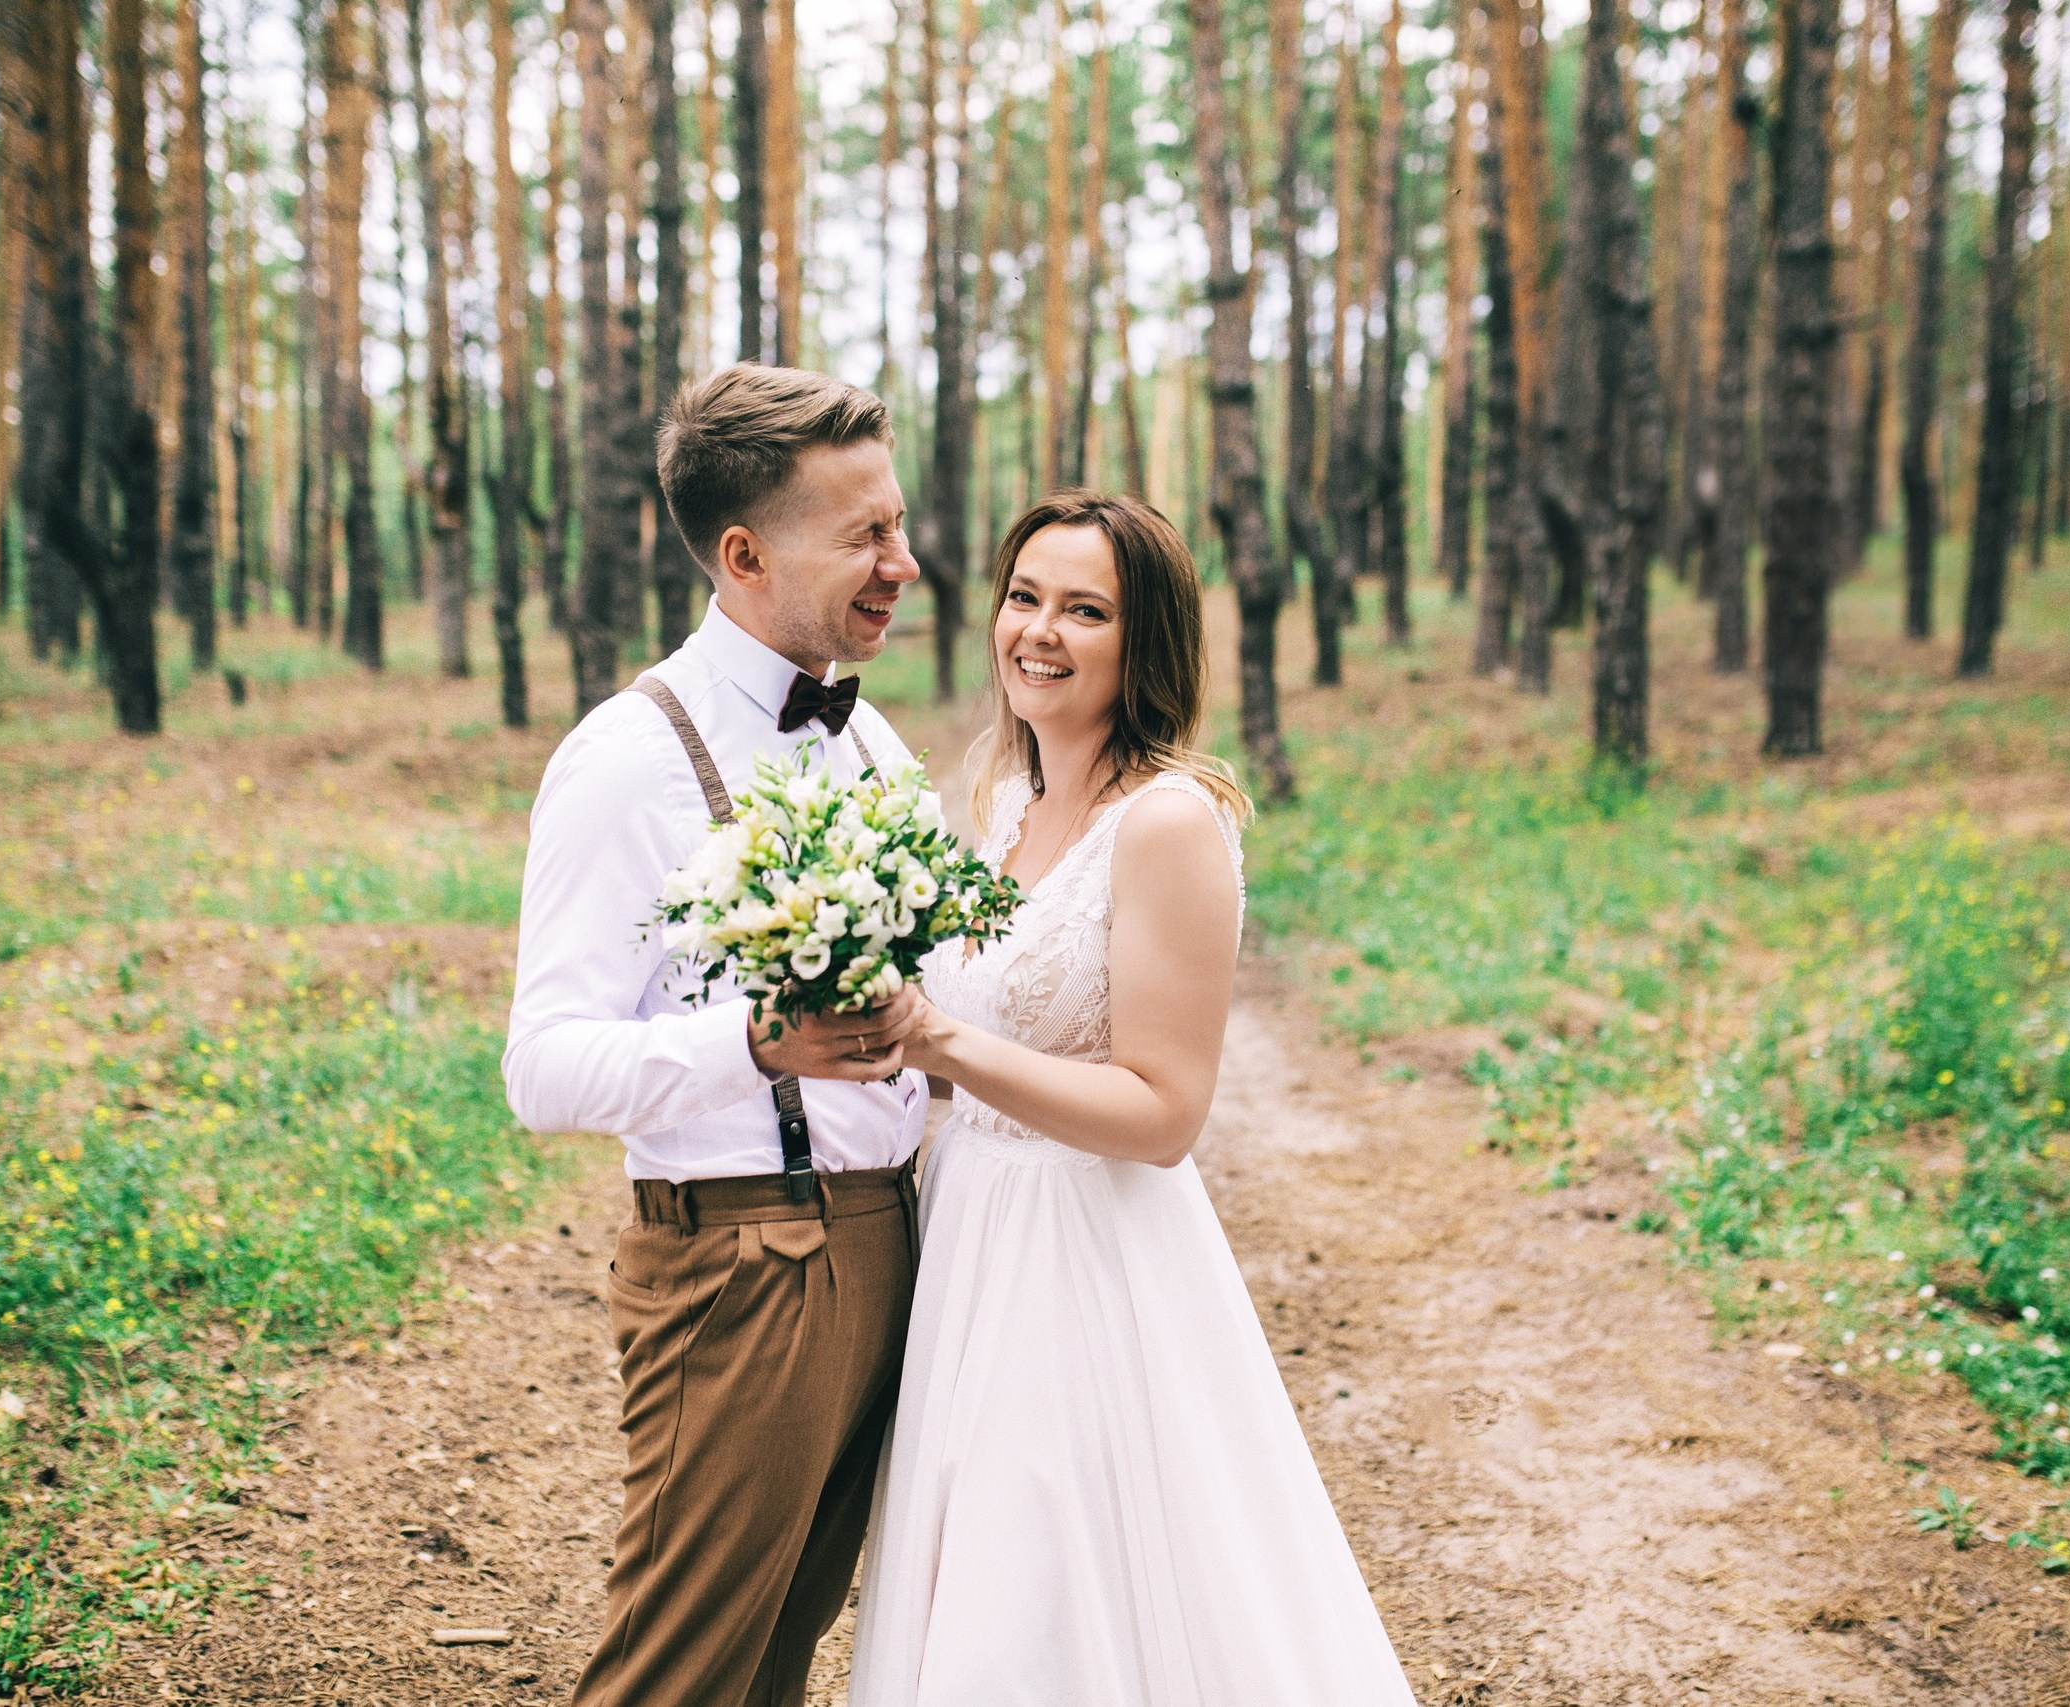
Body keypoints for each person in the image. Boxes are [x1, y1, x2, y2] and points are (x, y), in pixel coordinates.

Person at [851, 491, 1416, 1705]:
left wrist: (938, 1041)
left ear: (1142, 641)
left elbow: (1165, 1114)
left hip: (1083, 1248)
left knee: (1049, 1578)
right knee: (974, 1569)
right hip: (972, 1231)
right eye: (1023, 597)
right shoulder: (1007, 804)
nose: (1038, 632)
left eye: (1084, 610)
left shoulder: (1167, 823)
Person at [503, 364, 929, 1707]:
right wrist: (752, 1046)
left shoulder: (875, 748)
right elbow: (542, 1065)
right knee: (675, 1672)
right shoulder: (627, 757)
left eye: (898, 524)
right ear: (744, 554)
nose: (904, 564)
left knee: (776, 1661)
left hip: (890, 1238)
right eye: (865, 535)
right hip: (742, 1265)